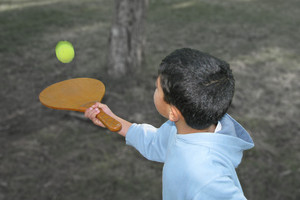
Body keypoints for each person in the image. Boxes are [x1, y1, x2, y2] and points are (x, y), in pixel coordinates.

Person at [85, 48, 254, 200]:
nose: (154, 90)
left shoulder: (205, 176)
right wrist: (113, 120)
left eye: (157, 88)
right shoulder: (187, 129)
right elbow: (154, 142)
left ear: (173, 112)